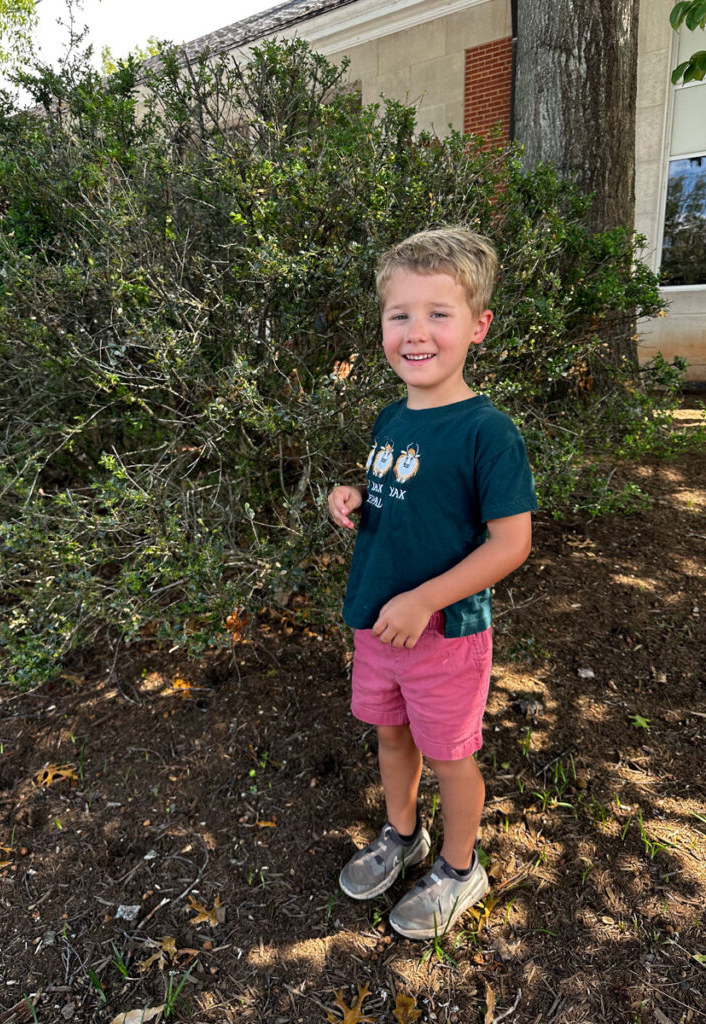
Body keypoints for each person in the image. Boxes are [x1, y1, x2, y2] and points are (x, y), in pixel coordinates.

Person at [327, 226, 537, 940]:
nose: (416, 332)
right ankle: (402, 834)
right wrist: (355, 498)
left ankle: (459, 866)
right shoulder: (391, 417)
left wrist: (425, 600)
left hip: (444, 635)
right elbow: (405, 497)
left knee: (450, 757)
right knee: (391, 739)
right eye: (400, 315)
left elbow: (511, 543)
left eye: (438, 314)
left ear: (478, 326)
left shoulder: (488, 432)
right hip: (378, 622)